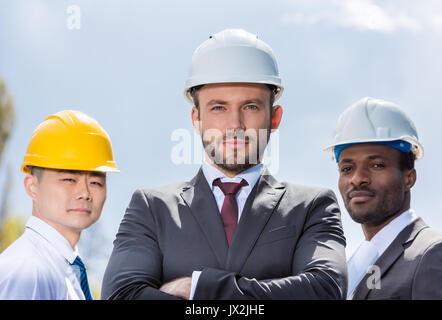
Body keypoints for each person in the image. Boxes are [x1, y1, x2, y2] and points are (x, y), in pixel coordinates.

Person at [101, 29, 347, 300]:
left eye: (251, 107)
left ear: (274, 117)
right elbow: (122, 296)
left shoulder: (311, 206)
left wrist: (196, 288)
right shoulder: (152, 208)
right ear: (196, 118)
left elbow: (324, 291)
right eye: (219, 108)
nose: (235, 125)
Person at [325, 97, 442, 299]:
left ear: (409, 178)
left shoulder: (433, 253)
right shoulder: (351, 268)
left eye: (377, 165)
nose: (357, 179)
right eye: (347, 169)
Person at [0, 110, 119, 300]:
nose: (85, 193)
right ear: (32, 187)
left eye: (96, 182)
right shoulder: (26, 271)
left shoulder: (64, 268)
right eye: (69, 179)